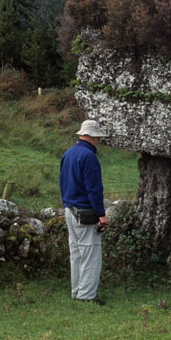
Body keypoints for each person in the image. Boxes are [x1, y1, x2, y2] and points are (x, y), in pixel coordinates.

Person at [59, 119, 109, 306]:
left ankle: (76, 291)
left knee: (76, 252)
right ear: (94, 136)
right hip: (85, 212)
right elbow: (94, 189)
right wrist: (101, 214)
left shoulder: (68, 153)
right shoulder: (89, 157)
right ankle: (86, 295)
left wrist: (66, 204)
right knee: (90, 253)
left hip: (69, 210)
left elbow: (62, 182)